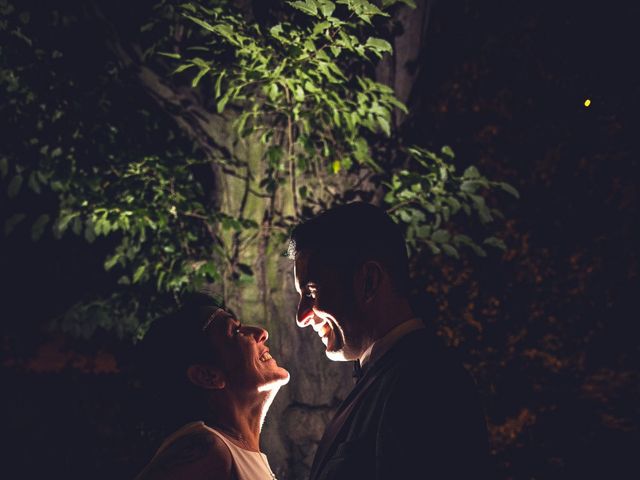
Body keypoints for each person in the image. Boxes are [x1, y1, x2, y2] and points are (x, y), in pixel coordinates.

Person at [288, 202, 491, 479]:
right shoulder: (390, 376)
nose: (302, 317)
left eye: (312, 292)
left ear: (369, 281)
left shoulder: (425, 383)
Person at [134, 294, 290, 480]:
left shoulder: (229, 451)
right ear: (207, 376)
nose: (261, 333)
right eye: (235, 331)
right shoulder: (207, 452)